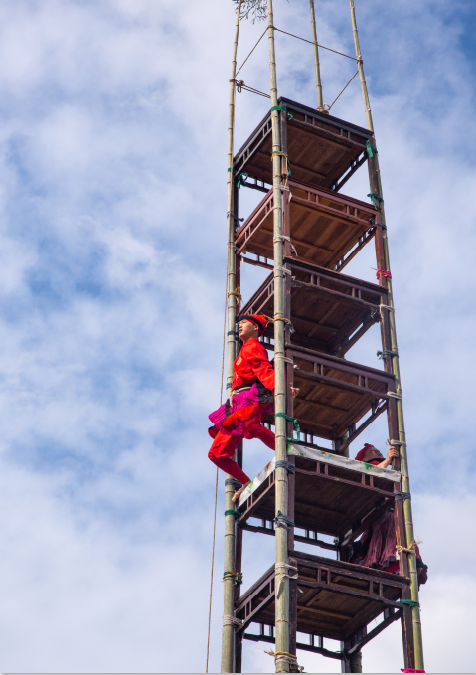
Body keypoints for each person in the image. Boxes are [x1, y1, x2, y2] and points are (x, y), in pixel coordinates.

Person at [208, 314, 299, 503]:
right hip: (236, 403)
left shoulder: (253, 347)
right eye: (239, 323)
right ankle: (245, 481)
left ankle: (284, 448)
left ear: (256, 328)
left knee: (250, 425)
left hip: (250, 398)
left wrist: (279, 388)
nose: (239, 325)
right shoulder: (244, 350)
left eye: (244, 322)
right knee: (215, 454)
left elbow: (263, 369)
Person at [349, 443, 428, 587]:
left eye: (377, 449)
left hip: (386, 515)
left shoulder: (384, 470)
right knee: (394, 541)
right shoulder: (368, 468)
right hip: (382, 514)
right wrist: (387, 460)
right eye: (371, 451)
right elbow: (372, 472)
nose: (377, 451)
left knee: (390, 542)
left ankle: (391, 567)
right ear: (364, 459)